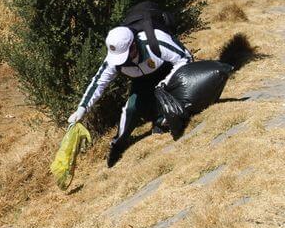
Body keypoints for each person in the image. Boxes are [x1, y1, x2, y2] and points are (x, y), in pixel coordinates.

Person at [68, 23, 193, 167]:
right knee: (130, 109)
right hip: (141, 82)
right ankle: (118, 145)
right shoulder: (113, 60)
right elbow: (98, 83)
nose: (124, 61)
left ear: (133, 45)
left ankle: (163, 121)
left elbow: (185, 58)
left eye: (126, 55)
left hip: (168, 74)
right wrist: (81, 109)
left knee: (172, 108)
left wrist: (166, 82)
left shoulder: (155, 42)